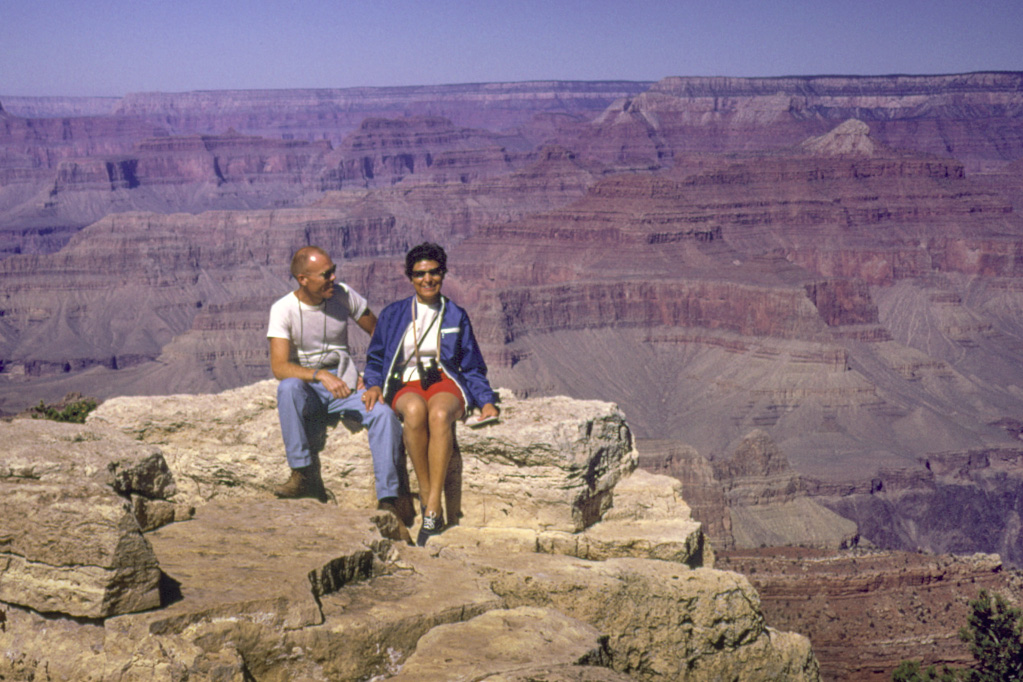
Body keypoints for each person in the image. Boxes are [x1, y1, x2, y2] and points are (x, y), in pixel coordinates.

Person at [267, 246, 410, 542]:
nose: (334, 278)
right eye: (326, 274)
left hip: (347, 387)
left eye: (334, 271)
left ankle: (388, 500)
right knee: (288, 388)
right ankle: (303, 473)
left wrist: (374, 380)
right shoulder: (283, 309)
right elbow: (280, 366)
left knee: (383, 414)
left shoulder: (344, 295)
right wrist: (320, 375)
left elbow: (381, 334)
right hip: (309, 388)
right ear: (303, 279)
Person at [362, 243, 499, 546]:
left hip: (443, 379)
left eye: (434, 273)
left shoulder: (456, 315)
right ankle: (426, 494)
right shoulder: (394, 314)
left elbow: (472, 365)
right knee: (413, 412)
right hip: (405, 381)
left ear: (443, 273)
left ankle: (433, 507)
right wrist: (373, 383)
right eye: (420, 274)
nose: (427, 280)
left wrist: (486, 400)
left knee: (439, 415)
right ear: (410, 277)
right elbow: (375, 358)